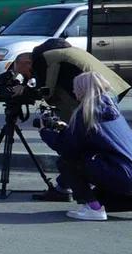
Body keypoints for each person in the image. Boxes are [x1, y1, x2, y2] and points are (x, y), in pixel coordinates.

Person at [38, 71, 132, 221]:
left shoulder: (86, 113)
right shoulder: (112, 110)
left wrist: (45, 132)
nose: (74, 91)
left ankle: (94, 209)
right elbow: (96, 141)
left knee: (67, 162)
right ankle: (96, 204)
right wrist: (68, 130)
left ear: (82, 89)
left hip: (121, 175)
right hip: (124, 176)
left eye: (75, 88)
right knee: (101, 198)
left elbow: (68, 149)